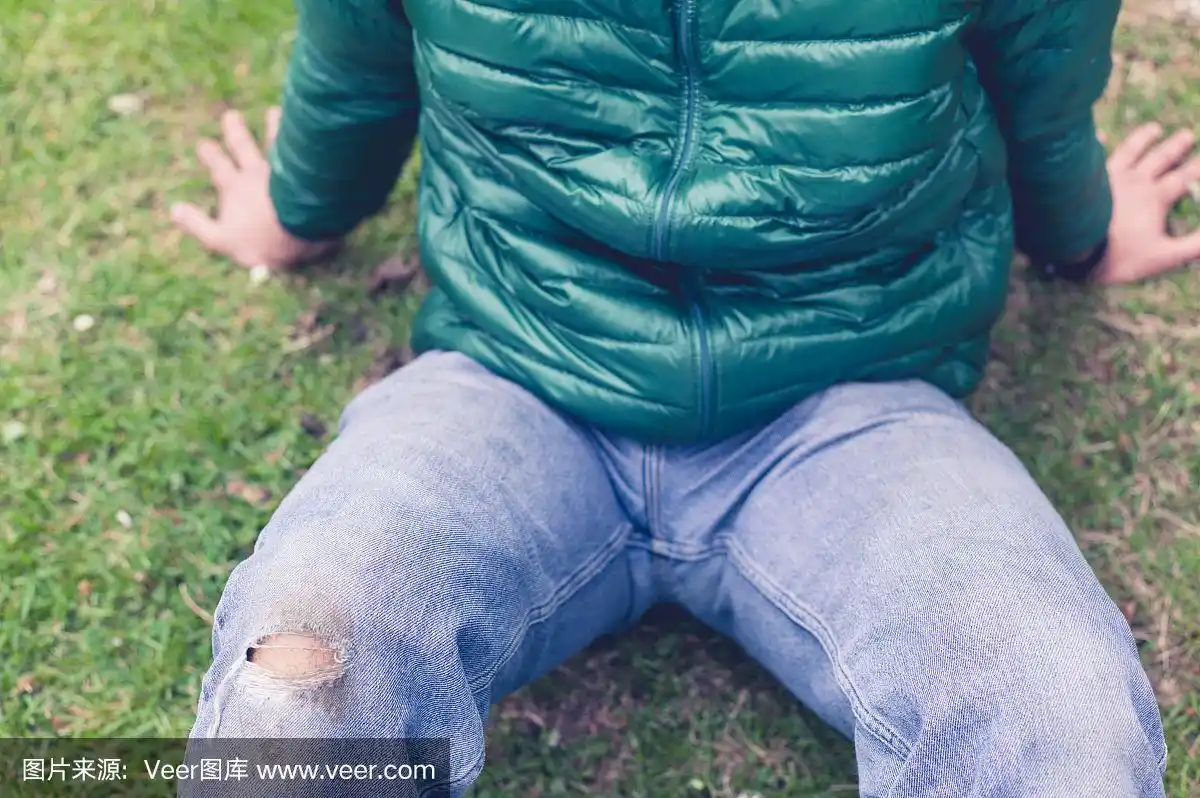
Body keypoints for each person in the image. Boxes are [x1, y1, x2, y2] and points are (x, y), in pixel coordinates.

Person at [173, 0, 1200, 794]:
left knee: (1056, 702)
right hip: (517, 373)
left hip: (854, 398)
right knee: (299, 665)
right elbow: (359, 67)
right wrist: (296, 216)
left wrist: (1085, 238)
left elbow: (1042, 97)